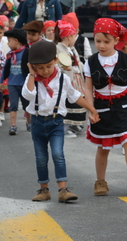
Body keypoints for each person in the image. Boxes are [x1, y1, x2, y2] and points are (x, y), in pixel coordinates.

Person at [23, 40, 99, 203]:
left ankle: (63, 190)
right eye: (40, 67)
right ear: (33, 66)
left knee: (58, 154)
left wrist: (91, 109)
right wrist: (31, 73)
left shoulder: (63, 79)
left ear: (56, 61)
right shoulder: (33, 79)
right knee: (41, 157)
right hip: (37, 122)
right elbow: (28, 95)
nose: (44, 71)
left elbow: (75, 96)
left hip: (56, 122)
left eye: (48, 66)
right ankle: (44, 190)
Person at [84, 18, 127, 196]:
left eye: (107, 41)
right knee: (103, 147)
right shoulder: (90, 62)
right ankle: (100, 181)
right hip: (101, 109)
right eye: (98, 41)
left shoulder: (126, 59)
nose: (102, 45)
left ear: (116, 41)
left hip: (125, 106)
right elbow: (88, 87)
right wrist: (91, 109)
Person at [55, 20, 88, 136]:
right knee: (69, 102)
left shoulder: (72, 49)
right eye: (74, 36)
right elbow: (56, 64)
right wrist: (63, 68)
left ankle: (75, 123)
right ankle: (66, 126)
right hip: (68, 80)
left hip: (77, 79)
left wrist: (87, 68)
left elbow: (78, 63)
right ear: (68, 37)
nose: (75, 39)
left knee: (78, 100)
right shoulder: (58, 48)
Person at [2, 29, 29, 136]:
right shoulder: (10, 55)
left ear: (16, 41)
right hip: (12, 84)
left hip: (24, 84)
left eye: (9, 41)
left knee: (27, 106)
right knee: (13, 105)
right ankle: (13, 125)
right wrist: (2, 81)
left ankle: (29, 122)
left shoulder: (27, 52)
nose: (8, 43)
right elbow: (5, 70)